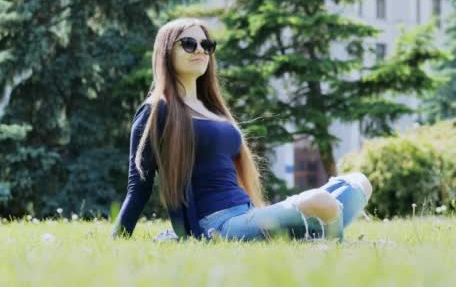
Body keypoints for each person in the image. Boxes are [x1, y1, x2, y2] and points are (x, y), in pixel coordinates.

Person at [111, 18, 372, 242]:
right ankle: (334, 244)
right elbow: (138, 188)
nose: (200, 50)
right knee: (322, 203)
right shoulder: (157, 111)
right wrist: (117, 241)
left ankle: (310, 234)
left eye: (207, 45)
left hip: (248, 214)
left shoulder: (212, 109)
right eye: (189, 44)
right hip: (218, 226)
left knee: (358, 183)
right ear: (166, 52)